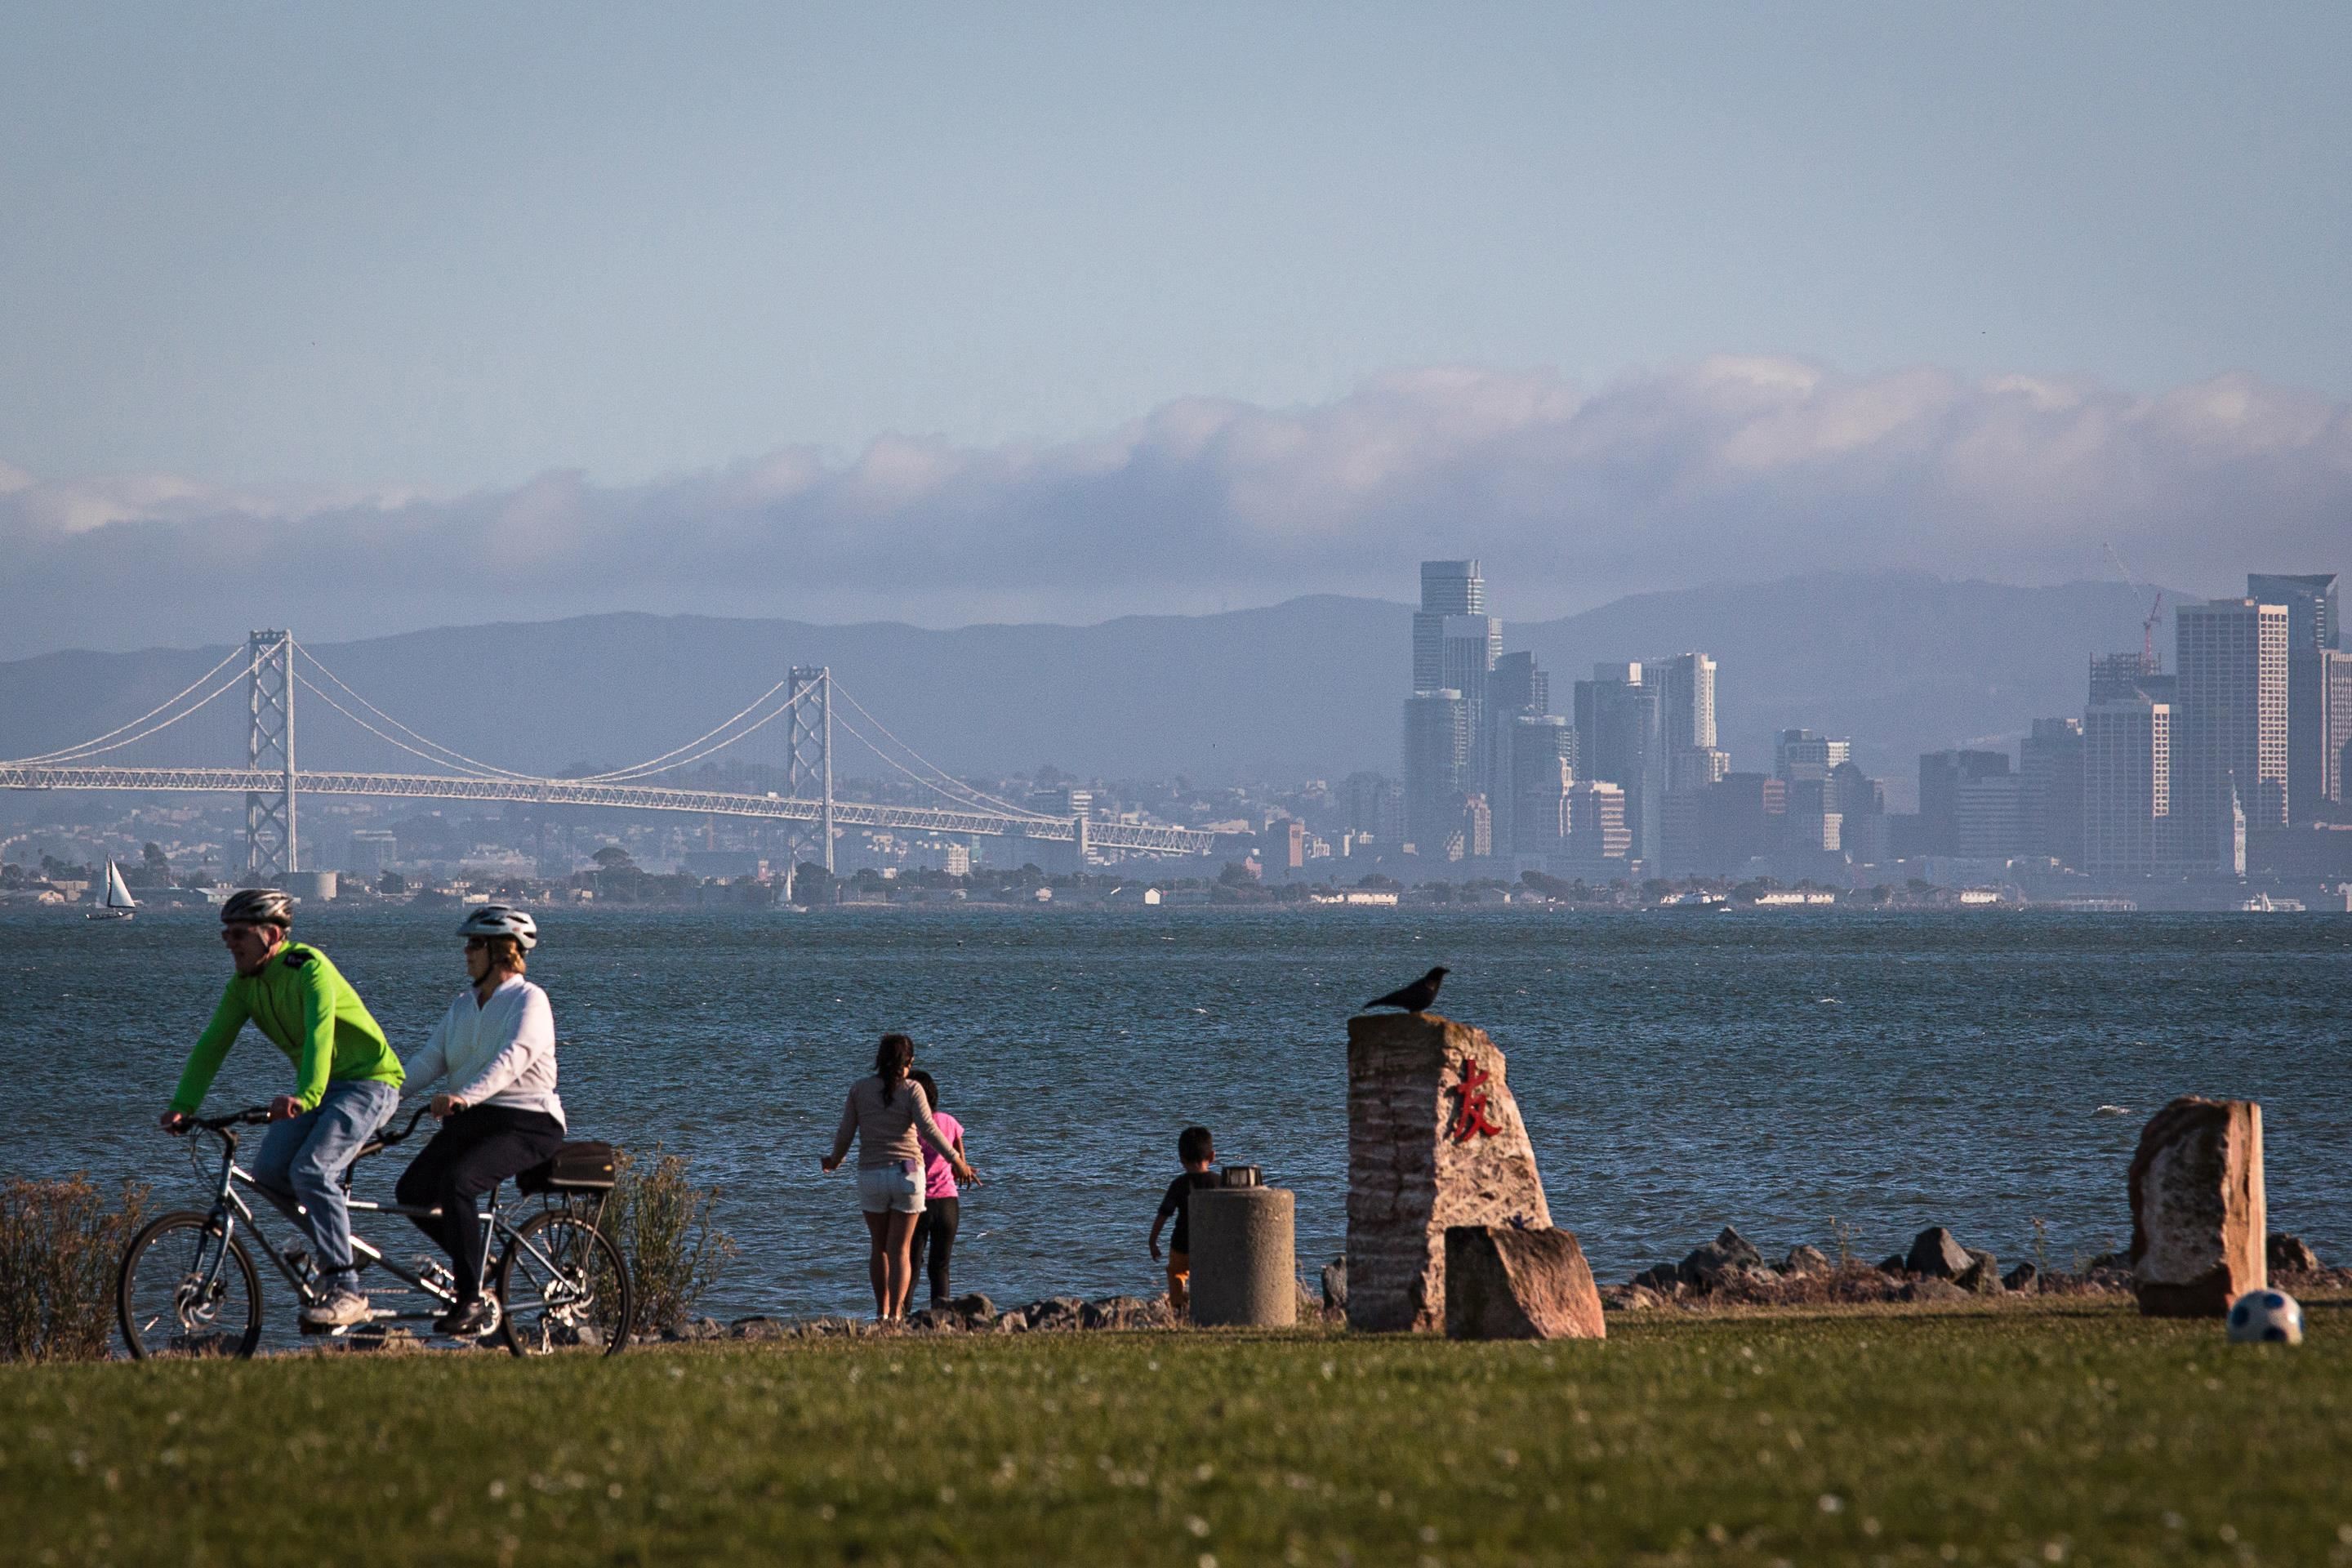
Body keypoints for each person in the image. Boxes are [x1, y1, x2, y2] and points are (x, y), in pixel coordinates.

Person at [160, 888, 404, 1328]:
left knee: (312, 1171)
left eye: (239, 933)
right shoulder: (244, 986)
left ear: (272, 934)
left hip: (369, 1082)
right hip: (321, 1088)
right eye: (225, 934)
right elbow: (213, 1045)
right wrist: (183, 1104)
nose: (230, 942)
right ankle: (342, 1251)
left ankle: (347, 1287)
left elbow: (319, 1035)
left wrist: (306, 1096)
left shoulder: (308, 967)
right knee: (269, 1175)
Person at [394, 906, 568, 1337]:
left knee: (458, 1182)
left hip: (528, 1122)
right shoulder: (463, 1006)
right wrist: (381, 1096)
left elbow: (513, 1060)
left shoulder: (531, 1000)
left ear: (503, 951)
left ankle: (469, 1298)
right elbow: (429, 1060)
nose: (466, 952)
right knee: (411, 1190)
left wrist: (462, 1097)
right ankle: (478, 1262)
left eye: (475, 944)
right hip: (475, 1119)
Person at [822, 1035, 975, 1322]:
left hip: (872, 1173)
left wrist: (835, 1160)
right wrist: (957, 1160)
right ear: (909, 1061)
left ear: (879, 1058)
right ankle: (895, 1318)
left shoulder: (859, 1089)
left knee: (878, 1247)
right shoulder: (913, 1089)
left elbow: (846, 1132)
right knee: (901, 1250)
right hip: (908, 1174)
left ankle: (882, 1313)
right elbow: (929, 1129)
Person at [906, 1069, 969, 1311]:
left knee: (910, 1264)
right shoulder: (949, 1122)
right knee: (940, 1267)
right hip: (947, 1203)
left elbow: (907, 1164)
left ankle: (901, 1317)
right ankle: (941, 1320)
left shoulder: (910, 1128)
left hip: (917, 1201)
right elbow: (958, 1166)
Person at [1148, 1125, 1218, 1318]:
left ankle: (1178, 1310)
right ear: (1212, 1156)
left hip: (1181, 1244)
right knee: (1208, 1279)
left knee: (1176, 1275)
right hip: (1209, 1245)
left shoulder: (1178, 1185)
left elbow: (1163, 1214)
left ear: (1181, 1159)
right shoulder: (1220, 1183)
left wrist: (1152, 1241)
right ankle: (1209, 1310)